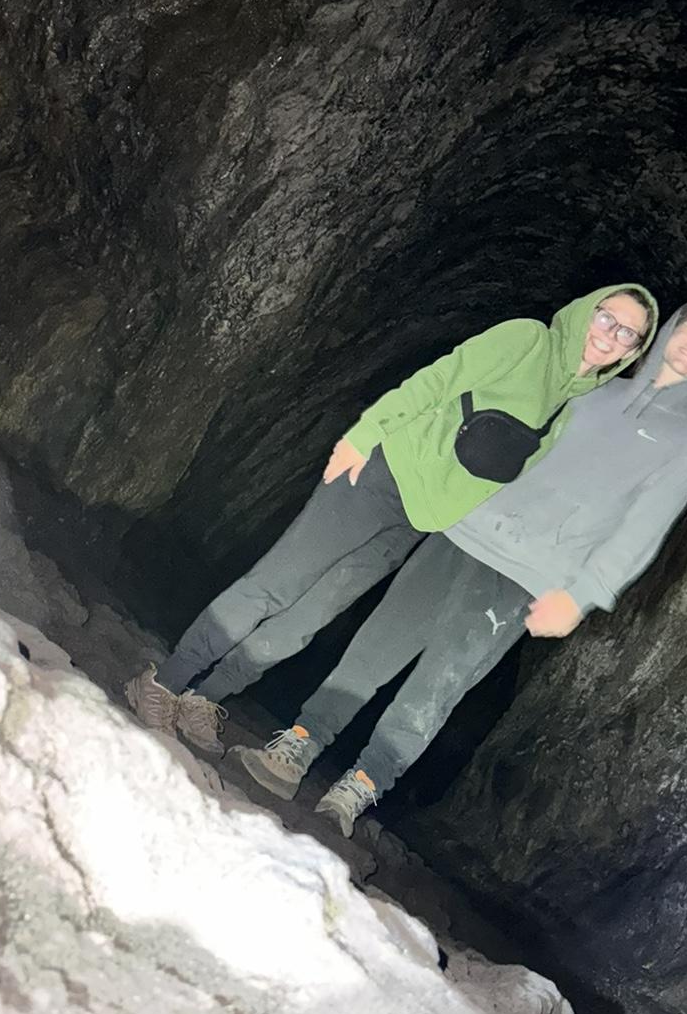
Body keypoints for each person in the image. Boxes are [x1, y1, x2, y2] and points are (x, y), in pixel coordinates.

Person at [229, 298, 687, 836]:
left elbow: (642, 530)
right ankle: (299, 745)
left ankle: (360, 786)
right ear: (667, 331)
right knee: (376, 646)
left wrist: (582, 594)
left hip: (528, 577)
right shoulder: (590, 390)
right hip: (464, 534)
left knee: (437, 686)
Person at [125, 284, 658, 752]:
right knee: (276, 584)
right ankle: (164, 681)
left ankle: (207, 697)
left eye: (627, 333)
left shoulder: (571, 406)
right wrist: (365, 435)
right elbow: (440, 379)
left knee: (310, 617)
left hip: (417, 521)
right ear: (587, 311)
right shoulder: (528, 340)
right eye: (606, 317)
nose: (609, 335)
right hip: (381, 477)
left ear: (633, 351)